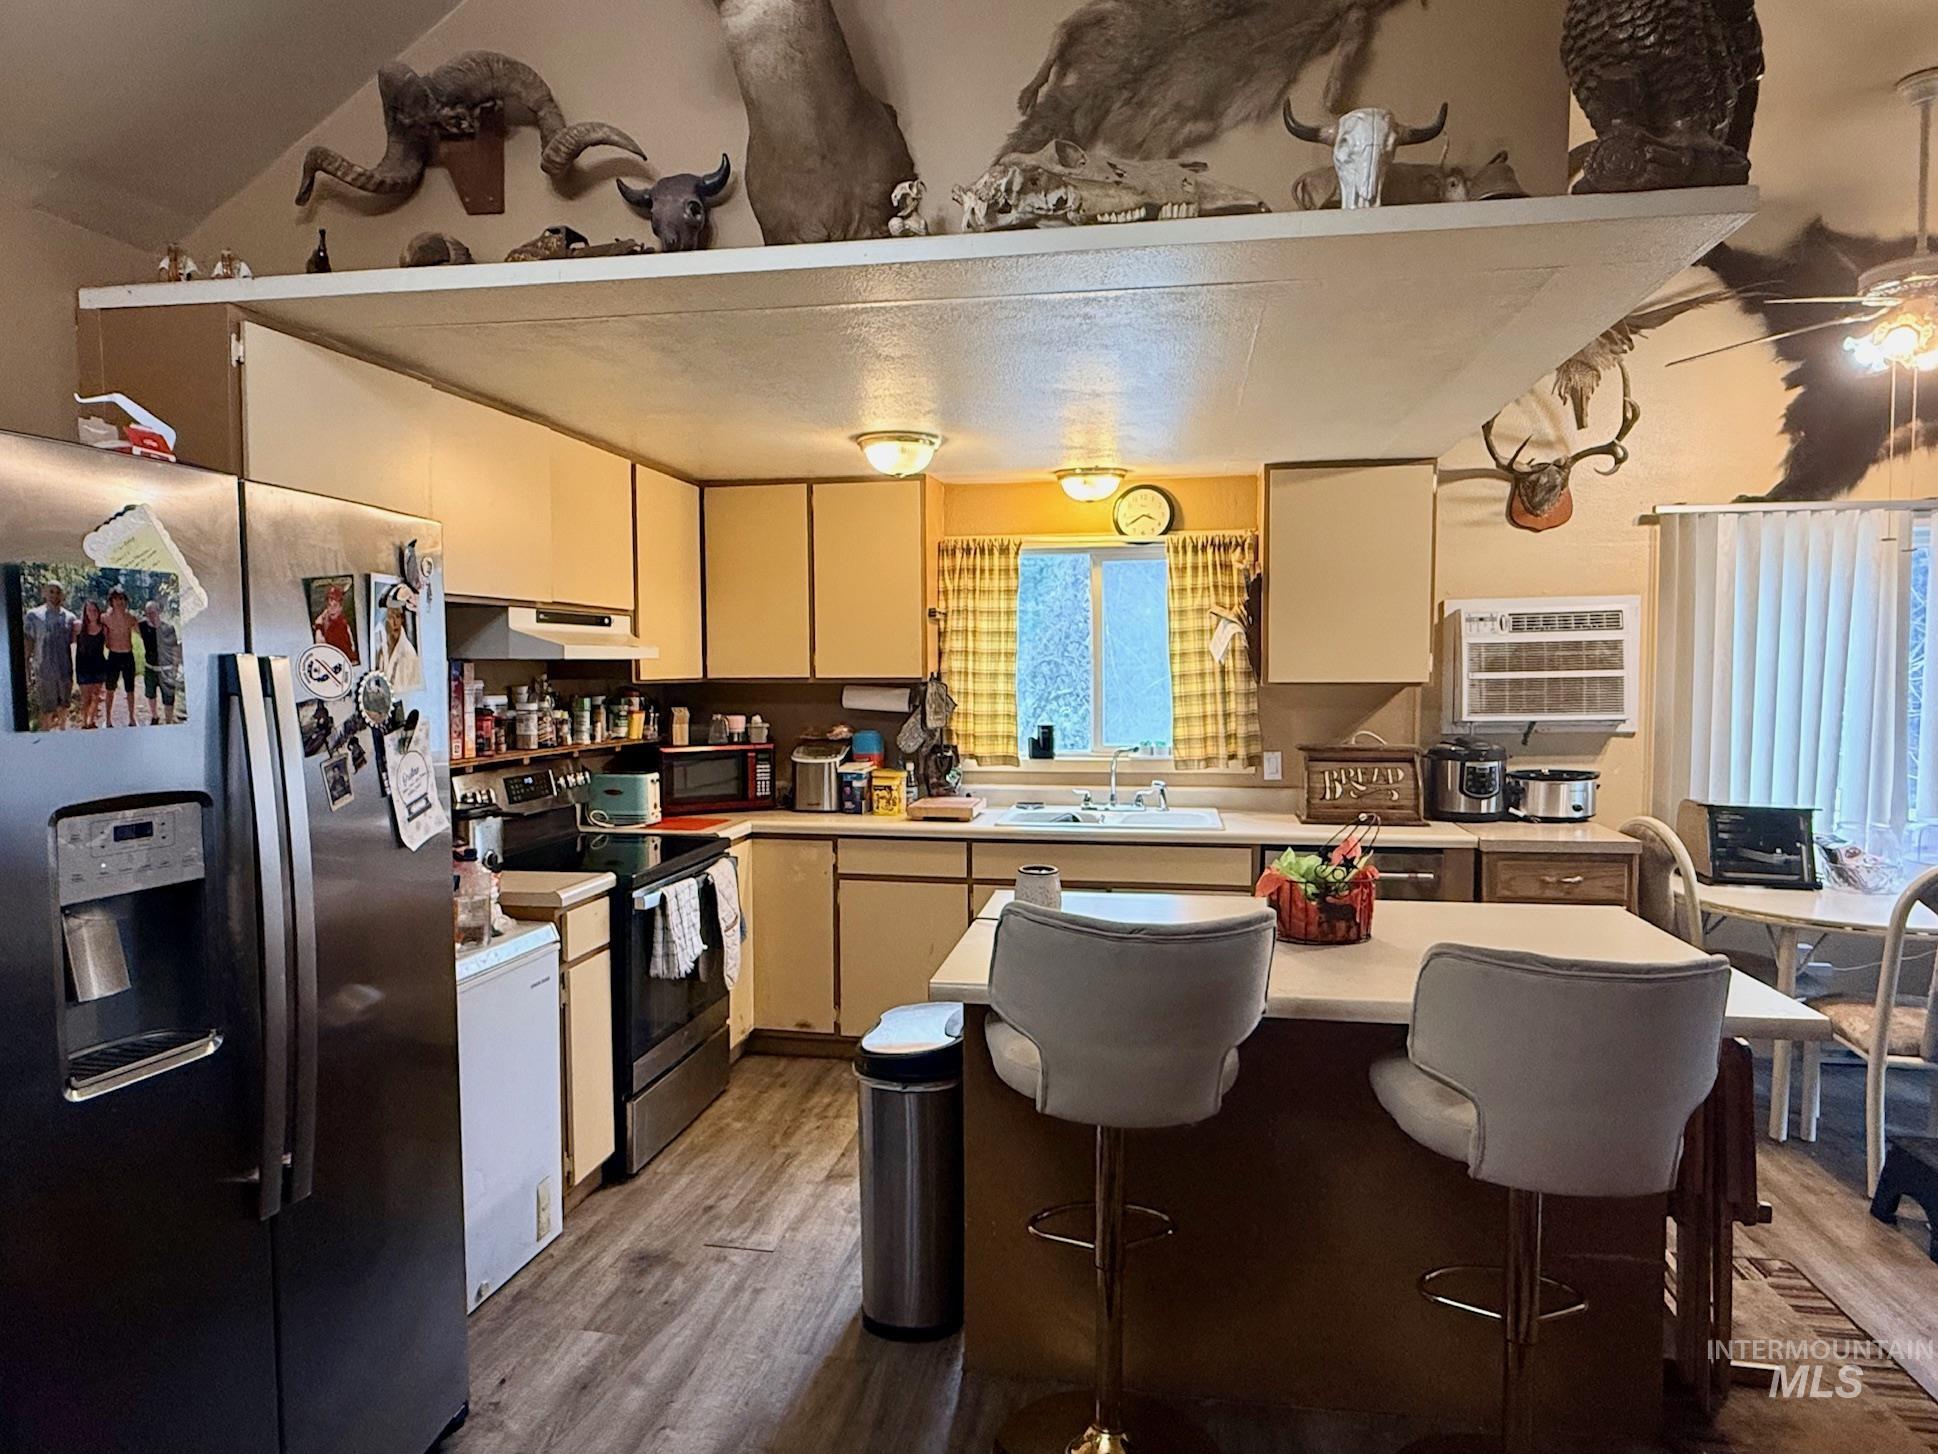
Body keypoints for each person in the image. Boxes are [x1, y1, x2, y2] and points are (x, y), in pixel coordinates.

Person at [22, 582, 77, 730]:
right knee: (46, 709)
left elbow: (73, 643)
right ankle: (45, 737)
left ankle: (62, 732)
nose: (54, 595)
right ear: (44, 593)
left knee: (64, 706)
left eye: (58, 592)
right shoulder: (33, 616)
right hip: (44, 672)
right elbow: (27, 647)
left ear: (63, 595)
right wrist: (27, 673)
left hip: (64, 671)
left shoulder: (70, 618)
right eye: (51, 591)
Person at [138, 599, 182, 726]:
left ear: (159, 611)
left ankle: (169, 720)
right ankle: (154, 717)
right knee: (150, 694)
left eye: (153, 612)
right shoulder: (142, 627)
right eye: (147, 613)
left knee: (168, 698)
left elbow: (175, 649)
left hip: (166, 669)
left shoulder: (169, 628)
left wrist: (175, 667)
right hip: (150, 668)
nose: (150, 615)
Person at [101, 587, 139, 727]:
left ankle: (131, 718)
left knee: (130, 689)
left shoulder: (131, 618)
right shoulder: (105, 618)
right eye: (116, 599)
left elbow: (142, 633)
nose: (120, 602)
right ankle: (108, 719)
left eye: (122, 599)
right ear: (111, 601)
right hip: (113, 656)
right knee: (110, 689)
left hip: (128, 656)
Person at [73, 599, 109, 728]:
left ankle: (91, 721)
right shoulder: (78, 626)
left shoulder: (104, 629)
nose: (92, 613)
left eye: (95, 610)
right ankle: (84, 722)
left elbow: (108, 644)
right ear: (85, 612)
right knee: (85, 698)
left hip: (99, 666)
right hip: (83, 667)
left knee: (96, 697)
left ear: (98, 612)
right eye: (89, 610)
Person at [372, 604, 423, 692]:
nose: (395, 622)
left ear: (402, 619)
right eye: (391, 617)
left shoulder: (408, 652)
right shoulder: (382, 647)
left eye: (398, 617)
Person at [312, 583, 358, 662]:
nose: (331, 609)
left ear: (341, 607)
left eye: (335, 605)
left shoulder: (340, 626)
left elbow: (320, 645)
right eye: (329, 605)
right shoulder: (326, 615)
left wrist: (318, 628)